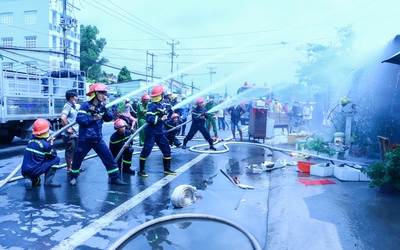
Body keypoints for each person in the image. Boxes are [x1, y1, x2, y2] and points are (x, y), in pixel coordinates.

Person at [69, 83, 126, 186]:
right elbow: (80, 119)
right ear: (94, 94)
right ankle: (73, 177)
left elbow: (109, 118)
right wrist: (94, 118)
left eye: (104, 93)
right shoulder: (86, 105)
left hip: (97, 139)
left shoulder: (101, 107)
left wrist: (105, 107)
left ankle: (114, 178)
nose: (104, 96)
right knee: (78, 159)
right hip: (85, 139)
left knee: (108, 158)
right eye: (102, 93)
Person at [139, 85, 177, 177]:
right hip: (152, 133)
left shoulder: (161, 104)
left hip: (160, 133)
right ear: (160, 95)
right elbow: (149, 119)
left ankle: (167, 169)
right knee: (146, 151)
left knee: (167, 149)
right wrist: (161, 119)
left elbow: (164, 113)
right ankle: (141, 170)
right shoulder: (152, 106)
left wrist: (168, 112)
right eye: (163, 94)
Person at [21, 118, 61, 190]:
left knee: (37, 181)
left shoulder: (30, 140)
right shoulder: (45, 145)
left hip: (25, 170)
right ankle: (48, 182)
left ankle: (30, 180)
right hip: (34, 170)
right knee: (56, 159)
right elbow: (53, 154)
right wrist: (51, 143)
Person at [61, 89, 79, 174]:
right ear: (71, 98)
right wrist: (67, 129)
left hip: (75, 134)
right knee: (70, 152)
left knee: (76, 151)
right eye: (76, 96)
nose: (77, 98)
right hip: (69, 135)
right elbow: (63, 118)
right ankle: (69, 168)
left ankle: (75, 167)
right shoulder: (67, 106)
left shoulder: (74, 106)